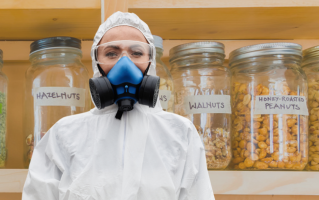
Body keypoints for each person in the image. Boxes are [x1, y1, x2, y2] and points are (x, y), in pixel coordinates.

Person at [22, 12, 215, 200]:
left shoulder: (180, 133)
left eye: (137, 52)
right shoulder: (65, 134)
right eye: (112, 53)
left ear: (151, 61)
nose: (125, 63)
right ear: (96, 62)